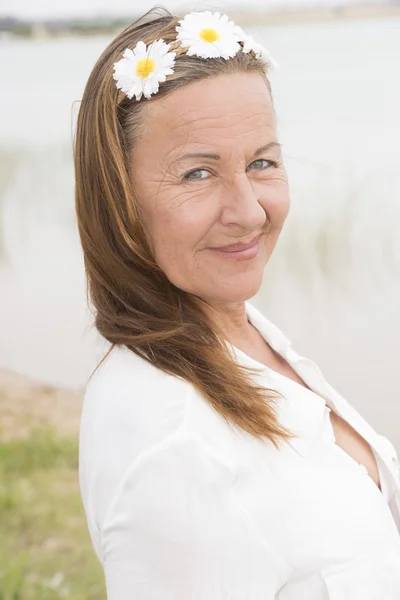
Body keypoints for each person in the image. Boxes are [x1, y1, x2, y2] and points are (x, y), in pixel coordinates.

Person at [75, 7, 400, 598]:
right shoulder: (170, 447)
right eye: (197, 173)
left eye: (262, 163)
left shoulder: (242, 334)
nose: (249, 211)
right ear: (118, 199)